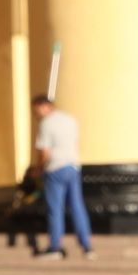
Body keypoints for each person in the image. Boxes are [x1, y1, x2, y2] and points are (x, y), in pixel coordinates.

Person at [31, 92, 92, 260]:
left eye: (36, 110)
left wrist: (38, 169)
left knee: (55, 208)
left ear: (44, 106)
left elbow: (45, 152)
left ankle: (55, 247)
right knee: (77, 206)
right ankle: (86, 246)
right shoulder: (70, 120)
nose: (36, 115)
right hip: (72, 166)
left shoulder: (46, 124)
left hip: (55, 168)